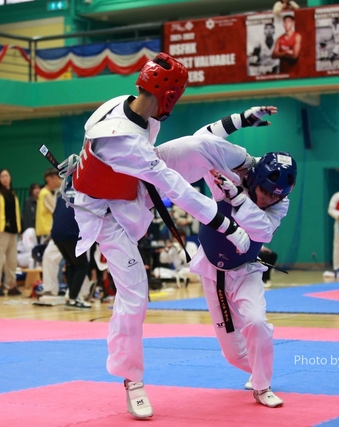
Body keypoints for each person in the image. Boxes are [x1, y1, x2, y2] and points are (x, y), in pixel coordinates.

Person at [64, 52, 251, 419]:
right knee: (135, 296)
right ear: (169, 95)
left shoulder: (125, 104)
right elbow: (175, 188)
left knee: (196, 147)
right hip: (104, 216)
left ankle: (250, 166)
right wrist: (227, 226)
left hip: (128, 186)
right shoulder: (125, 141)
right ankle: (132, 381)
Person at [153, 105, 290, 409]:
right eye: (267, 191)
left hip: (246, 270)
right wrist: (242, 120)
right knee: (233, 354)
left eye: (277, 196)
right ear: (256, 178)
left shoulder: (279, 204)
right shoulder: (230, 175)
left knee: (256, 322)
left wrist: (238, 198)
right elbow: (200, 142)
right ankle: (258, 368)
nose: (270, 199)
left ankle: (263, 386)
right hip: (213, 270)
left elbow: (264, 231)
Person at [51, 186, 91, 309]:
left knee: (72, 264)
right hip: (71, 233)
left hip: (57, 234)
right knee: (82, 265)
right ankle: (73, 299)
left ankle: (71, 297)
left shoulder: (63, 192)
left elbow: (55, 213)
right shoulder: (84, 192)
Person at [0, 169, 22, 297]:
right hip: (1, 230)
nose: (5, 178)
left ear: (10, 178)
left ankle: (11, 285)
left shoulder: (13, 194)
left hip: (13, 231)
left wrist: (20, 229)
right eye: (2, 176)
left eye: (6, 176)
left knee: (12, 260)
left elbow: (17, 213)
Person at [36, 168, 61, 241]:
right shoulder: (45, 193)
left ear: (55, 178)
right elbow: (56, 210)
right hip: (48, 230)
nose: (47, 184)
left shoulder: (59, 191)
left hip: (48, 230)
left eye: (48, 181)